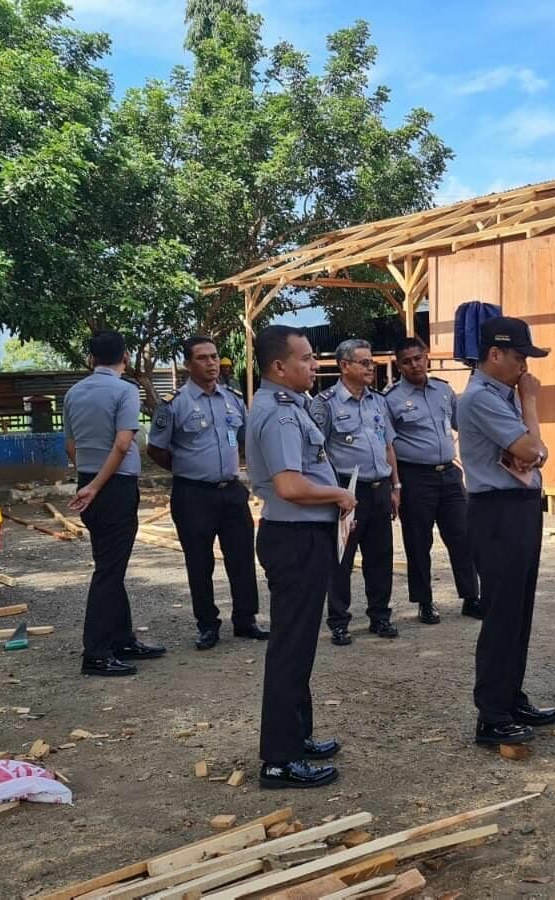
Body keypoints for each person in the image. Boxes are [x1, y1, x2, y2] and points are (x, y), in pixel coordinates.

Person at [247, 324, 355, 789]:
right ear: (279, 366)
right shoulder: (280, 415)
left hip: (302, 536)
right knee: (290, 648)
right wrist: (339, 495)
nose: (315, 365)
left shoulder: (291, 406)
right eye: (307, 358)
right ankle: (279, 759)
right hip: (294, 539)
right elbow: (290, 485)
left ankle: (298, 733)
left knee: (300, 644)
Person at [457, 316, 555, 747]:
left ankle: (510, 695)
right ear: (494, 354)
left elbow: (539, 455)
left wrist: (530, 430)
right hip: (497, 511)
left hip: (518, 507)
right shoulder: (482, 397)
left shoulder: (502, 393)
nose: (525, 367)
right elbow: (532, 449)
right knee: (502, 613)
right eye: (519, 357)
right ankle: (492, 714)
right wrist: (531, 403)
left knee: (519, 611)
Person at [148, 336, 268, 650]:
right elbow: (156, 448)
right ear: (189, 364)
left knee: (241, 558)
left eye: (214, 357)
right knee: (199, 563)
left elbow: (245, 439)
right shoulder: (174, 404)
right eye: (203, 358)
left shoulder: (233, 398)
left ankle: (246, 620)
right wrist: (186, 468)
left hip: (231, 492)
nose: (211, 363)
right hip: (193, 495)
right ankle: (207, 625)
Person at [64, 330, 166, 677]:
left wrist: (87, 481)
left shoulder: (74, 392)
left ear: (91, 359)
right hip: (113, 486)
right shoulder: (125, 391)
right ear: (125, 357)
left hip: (89, 482)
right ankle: (95, 653)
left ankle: (122, 638)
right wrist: (98, 485)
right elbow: (123, 445)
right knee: (108, 571)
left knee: (110, 565)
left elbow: (71, 445)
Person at [309, 339, 400, 645]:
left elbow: (388, 445)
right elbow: (317, 451)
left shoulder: (378, 401)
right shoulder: (325, 403)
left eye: (371, 363)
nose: (370, 368)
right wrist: (333, 493)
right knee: (341, 559)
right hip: (347, 490)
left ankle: (380, 616)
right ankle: (338, 621)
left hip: (379, 487)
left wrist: (395, 486)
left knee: (381, 556)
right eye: (364, 363)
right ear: (344, 366)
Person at [385, 338, 481, 623]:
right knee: (418, 542)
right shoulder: (391, 400)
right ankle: (424, 602)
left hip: (449, 474)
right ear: (399, 365)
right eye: (407, 361)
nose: (414, 364)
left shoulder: (443, 389)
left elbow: (458, 422)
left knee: (463, 536)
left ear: (426, 357)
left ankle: (471, 597)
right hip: (415, 476)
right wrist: (396, 484)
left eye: (418, 358)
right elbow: (387, 443)